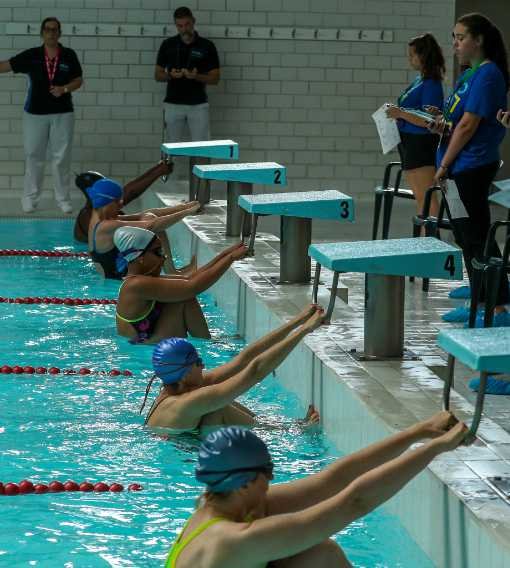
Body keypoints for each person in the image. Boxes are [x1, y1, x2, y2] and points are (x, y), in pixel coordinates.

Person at [164, 415, 467, 567]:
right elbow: (354, 502)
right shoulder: (231, 541)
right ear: (245, 483)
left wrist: (418, 432)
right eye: (267, 475)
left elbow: (332, 482)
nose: (271, 482)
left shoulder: (216, 504)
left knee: (321, 554)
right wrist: (436, 448)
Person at [430, 13, 510, 332]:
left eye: (460, 38)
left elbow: (468, 125)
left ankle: (498, 303)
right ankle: (480, 297)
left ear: (478, 40)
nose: (455, 44)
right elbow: (456, 119)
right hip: (460, 166)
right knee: (465, 234)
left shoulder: (488, 74)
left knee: (476, 234)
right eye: (453, 37)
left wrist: (445, 164)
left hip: (470, 166)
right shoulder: (471, 74)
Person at [142, 305, 324, 434]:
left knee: (217, 402)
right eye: (198, 362)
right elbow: (255, 371)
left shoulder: (178, 385)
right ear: (184, 374)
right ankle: (289, 431)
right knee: (217, 407)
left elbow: (243, 360)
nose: (203, 365)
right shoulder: (186, 403)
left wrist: (298, 321)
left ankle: (282, 426)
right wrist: (305, 331)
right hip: (184, 457)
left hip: (191, 442)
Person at [0, 17, 83, 214]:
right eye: (47, 29)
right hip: (34, 114)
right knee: (33, 155)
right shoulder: (33, 55)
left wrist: (64, 88)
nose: (51, 33)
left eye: (55, 30)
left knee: (61, 157)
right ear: (42, 33)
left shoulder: (69, 55)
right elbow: (6, 65)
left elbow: (78, 80)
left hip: (63, 113)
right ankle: (30, 198)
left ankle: (63, 199)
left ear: (59, 33)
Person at [114, 226, 247, 343]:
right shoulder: (136, 285)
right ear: (140, 258)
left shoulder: (140, 280)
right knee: (185, 297)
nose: (164, 257)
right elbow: (192, 286)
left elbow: (188, 279)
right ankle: (207, 344)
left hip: (147, 339)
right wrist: (231, 258)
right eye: (158, 252)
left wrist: (226, 254)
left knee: (182, 294)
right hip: (142, 347)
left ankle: (207, 342)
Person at [86, 177, 199, 280]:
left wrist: (183, 207)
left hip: (113, 272)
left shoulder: (98, 219)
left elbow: (144, 214)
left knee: (149, 217)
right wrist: (187, 212)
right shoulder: (105, 226)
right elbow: (152, 225)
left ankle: (172, 271)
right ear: (106, 202)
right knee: (155, 226)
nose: (121, 205)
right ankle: (172, 272)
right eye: (118, 202)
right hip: (119, 276)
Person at [386, 33, 445, 220]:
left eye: (413, 55)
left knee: (426, 198)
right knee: (419, 199)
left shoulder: (432, 84)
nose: (409, 59)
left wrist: (401, 113)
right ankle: (423, 241)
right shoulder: (419, 80)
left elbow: (429, 120)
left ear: (425, 56)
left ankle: (431, 243)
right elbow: (412, 110)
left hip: (421, 144)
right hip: (409, 143)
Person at [155, 7, 220, 147]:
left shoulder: (207, 46)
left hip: (198, 104)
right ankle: (168, 168)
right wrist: (170, 75)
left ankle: (200, 169)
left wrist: (196, 76)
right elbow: (157, 75)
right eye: (180, 26)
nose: (184, 29)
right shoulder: (168, 45)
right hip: (172, 104)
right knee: (169, 149)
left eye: (187, 24)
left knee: (202, 148)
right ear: (176, 25)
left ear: (193, 22)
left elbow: (215, 78)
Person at [74, 160, 173, 243]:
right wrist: (159, 171)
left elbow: (130, 192)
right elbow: (130, 192)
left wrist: (158, 169)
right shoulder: (91, 216)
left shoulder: (97, 208)